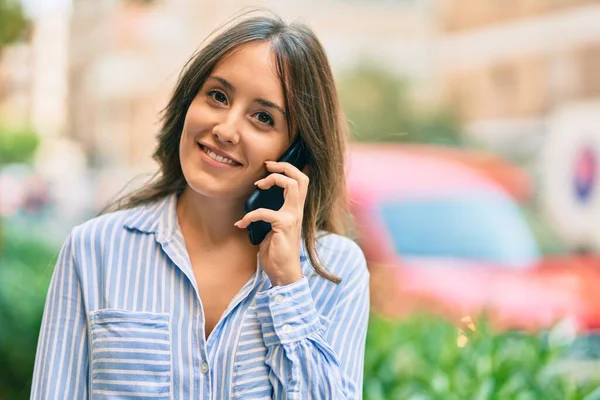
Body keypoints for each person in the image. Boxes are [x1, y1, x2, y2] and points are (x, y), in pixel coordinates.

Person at [31, 11, 370, 400]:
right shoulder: (94, 249)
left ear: (296, 154)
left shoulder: (336, 272)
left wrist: (288, 286)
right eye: (218, 96)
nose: (225, 129)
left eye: (262, 117)